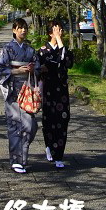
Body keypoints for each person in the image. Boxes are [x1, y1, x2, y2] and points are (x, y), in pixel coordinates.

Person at [0, 18, 40, 174]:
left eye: (25, 28)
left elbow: (39, 68)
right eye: (20, 28)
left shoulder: (30, 50)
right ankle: (16, 161)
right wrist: (16, 71)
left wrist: (33, 70)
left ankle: (23, 155)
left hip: (27, 89)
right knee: (15, 125)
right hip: (13, 90)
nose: (23, 31)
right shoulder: (7, 49)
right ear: (14, 30)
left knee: (31, 126)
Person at [37, 19, 74, 169]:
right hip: (47, 91)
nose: (60, 32)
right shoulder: (41, 51)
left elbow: (67, 62)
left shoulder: (64, 49)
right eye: (57, 30)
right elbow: (37, 69)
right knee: (49, 122)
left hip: (62, 92)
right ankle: (49, 147)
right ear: (49, 32)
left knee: (63, 121)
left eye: (61, 30)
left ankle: (59, 155)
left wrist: (59, 41)